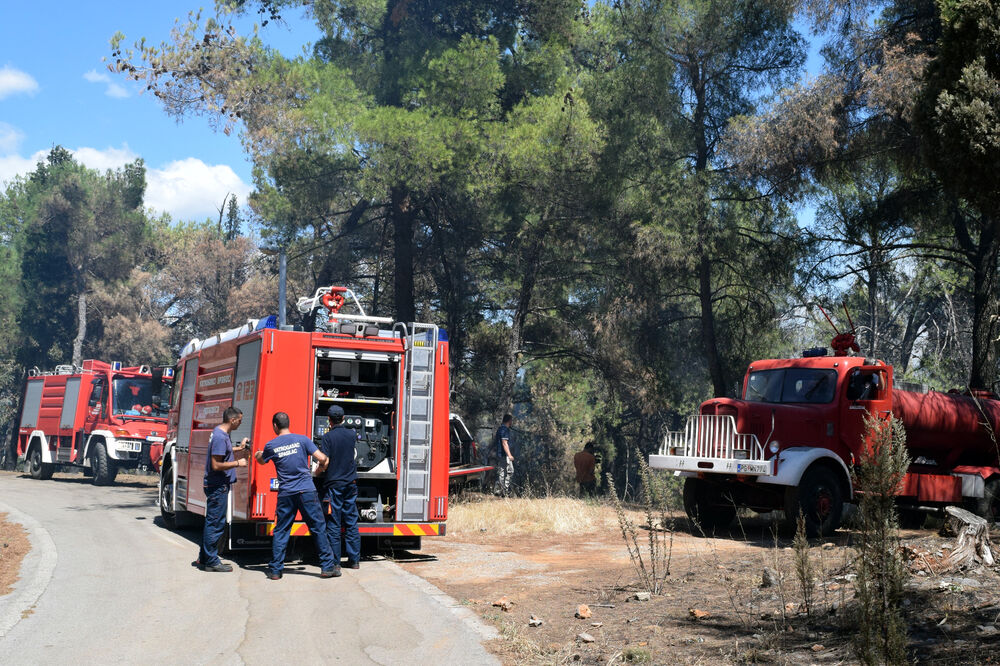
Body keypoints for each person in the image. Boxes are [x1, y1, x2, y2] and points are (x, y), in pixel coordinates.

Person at [255, 411, 339, 580]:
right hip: (307, 491)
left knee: (282, 530)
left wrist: (257, 453)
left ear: (275, 426)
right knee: (317, 528)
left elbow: (261, 460)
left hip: (286, 494)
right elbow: (323, 458)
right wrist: (321, 467)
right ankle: (327, 567)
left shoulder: (271, 445)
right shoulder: (303, 440)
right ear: (288, 424)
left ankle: (276, 571)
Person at [194, 406, 248, 572]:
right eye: (239, 420)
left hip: (217, 486)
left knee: (213, 522)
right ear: (232, 420)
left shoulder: (220, 433)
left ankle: (204, 557)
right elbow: (216, 464)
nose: (240, 423)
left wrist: (240, 448)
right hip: (217, 487)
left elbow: (224, 452)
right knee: (215, 524)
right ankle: (211, 561)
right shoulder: (219, 436)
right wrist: (238, 463)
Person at [318, 405, 361, 569]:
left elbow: (325, 460)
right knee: (351, 522)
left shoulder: (328, 437)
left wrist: (318, 470)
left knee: (334, 524)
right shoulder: (351, 435)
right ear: (343, 419)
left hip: (334, 485)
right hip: (351, 485)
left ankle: (336, 563)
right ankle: (354, 560)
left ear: (329, 420)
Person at [494, 413, 514, 496]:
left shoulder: (500, 429)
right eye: (511, 420)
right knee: (510, 471)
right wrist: (509, 455)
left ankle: (501, 490)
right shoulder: (505, 430)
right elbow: (504, 443)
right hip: (504, 455)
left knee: (502, 472)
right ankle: (504, 490)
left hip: (499, 454)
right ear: (509, 421)